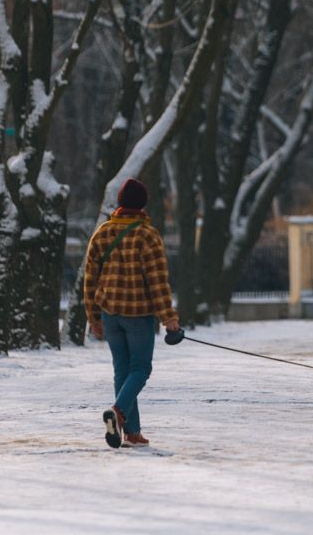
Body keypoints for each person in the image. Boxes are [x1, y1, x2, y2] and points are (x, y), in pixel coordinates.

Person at [83, 178, 180, 449]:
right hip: (138, 314)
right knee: (140, 368)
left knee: (122, 371)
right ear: (143, 204)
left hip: (109, 314)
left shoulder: (102, 233)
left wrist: (93, 316)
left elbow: (90, 279)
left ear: (120, 202)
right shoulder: (147, 235)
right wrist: (169, 318)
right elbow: (157, 280)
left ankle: (132, 433)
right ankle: (118, 412)